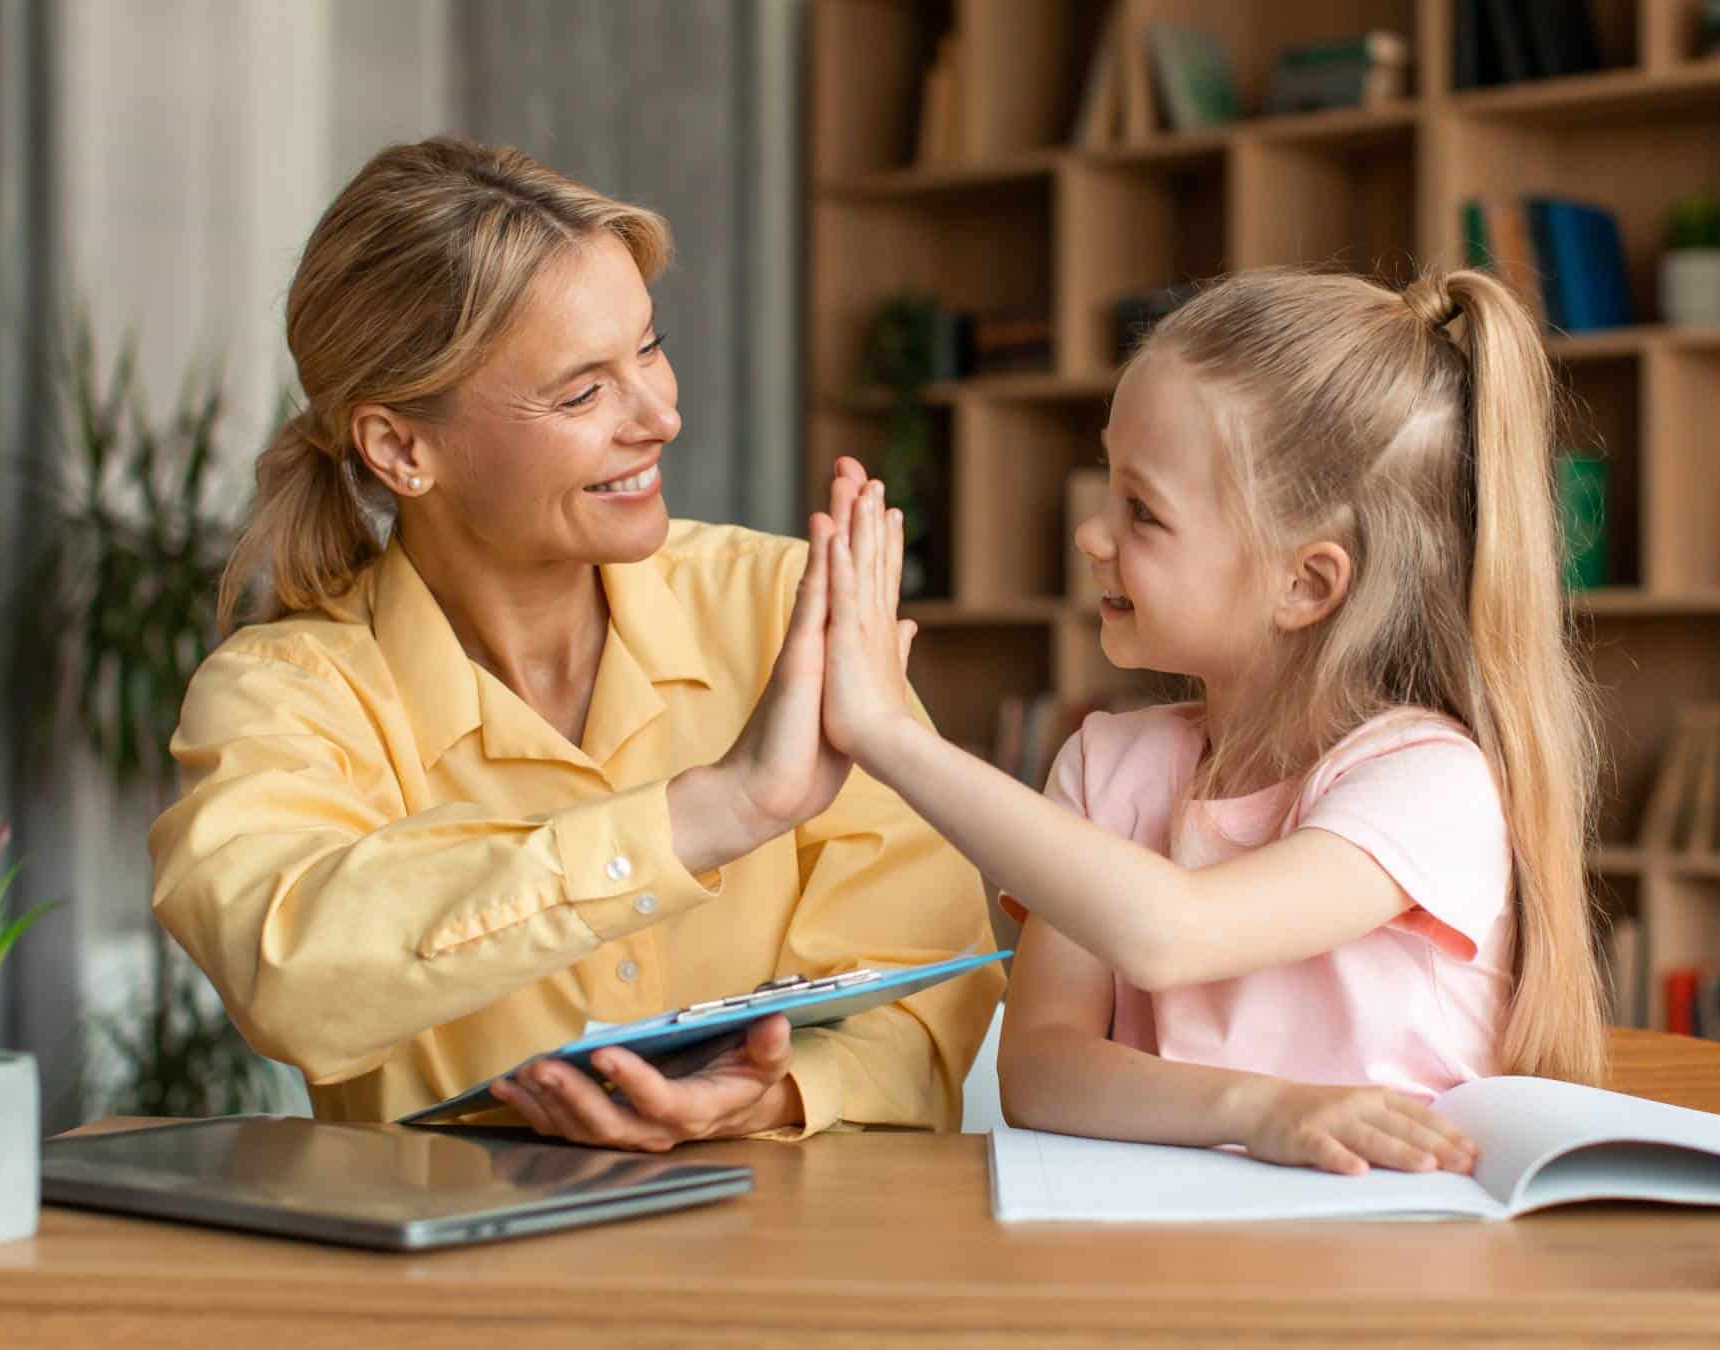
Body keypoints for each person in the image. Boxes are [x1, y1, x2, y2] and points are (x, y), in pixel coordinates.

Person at [148, 137, 999, 1148]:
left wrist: (770, 1093)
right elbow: (289, 971)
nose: (662, 415)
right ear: (402, 449)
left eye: (648, 346)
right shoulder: (285, 695)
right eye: (582, 391)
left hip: (783, 1261)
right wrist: (710, 814)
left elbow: (927, 999)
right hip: (454, 1287)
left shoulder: (783, 608)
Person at [804, 267, 1604, 1176]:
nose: (1091, 535)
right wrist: (1257, 1110)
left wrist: (888, 736)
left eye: (1142, 512)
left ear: (1304, 584)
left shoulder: (1431, 782)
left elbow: (1173, 933)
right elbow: (1039, 1070)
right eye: (1107, 483)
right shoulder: (1107, 768)